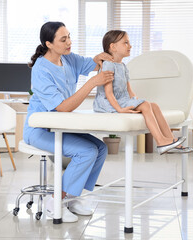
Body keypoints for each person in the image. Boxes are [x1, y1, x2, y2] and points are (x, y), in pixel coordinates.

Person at [23, 22, 114, 223]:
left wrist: (100, 58)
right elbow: (62, 107)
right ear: (49, 43)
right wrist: (91, 84)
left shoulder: (68, 58)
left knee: (100, 148)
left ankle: (71, 199)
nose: (69, 42)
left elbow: (90, 64)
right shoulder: (41, 69)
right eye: (63, 39)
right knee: (86, 151)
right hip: (40, 129)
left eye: (69, 37)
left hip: (60, 126)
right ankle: (54, 202)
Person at [93, 30, 193, 154]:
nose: (130, 46)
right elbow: (108, 93)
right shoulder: (108, 65)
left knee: (154, 106)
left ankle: (170, 141)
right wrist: (120, 109)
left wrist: (135, 101)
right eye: (126, 43)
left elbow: (129, 90)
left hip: (121, 100)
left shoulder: (123, 66)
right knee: (145, 105)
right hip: (108, 103)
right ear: (113, 47)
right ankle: (161, 142)